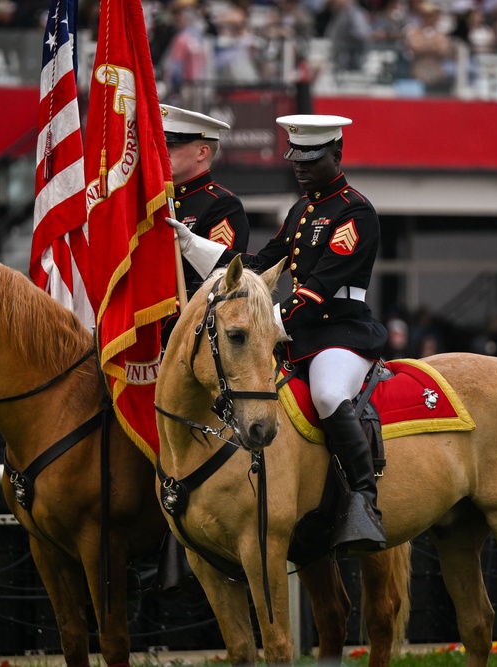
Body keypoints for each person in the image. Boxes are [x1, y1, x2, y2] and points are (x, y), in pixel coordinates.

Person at [169, 114, 388, 556]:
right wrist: (192, 244)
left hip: (340, 332)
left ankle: (364, 497)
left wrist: (264, 324)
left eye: (312, 158)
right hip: (295, 334)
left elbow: (319, 290)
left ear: (337, 155)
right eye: (296, 159)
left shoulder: (355, 211)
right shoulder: (301, 210)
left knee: (327, 395)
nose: (301, 167)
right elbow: (256, 265)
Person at [160, 104, 250, 342]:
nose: (162, 151)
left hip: (190, 331)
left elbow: (218, 278)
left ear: (202, 152)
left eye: (173, 146)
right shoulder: (154, 200)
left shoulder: (221, 205)